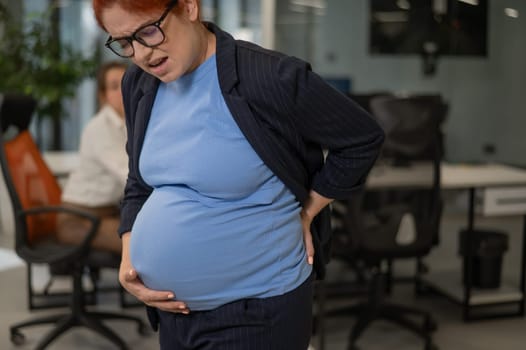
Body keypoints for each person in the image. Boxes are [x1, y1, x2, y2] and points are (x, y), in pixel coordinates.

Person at [92, 0, 385, 349]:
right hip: (174, 314)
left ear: (188, 7)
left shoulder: (269, 76)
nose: (140, 53)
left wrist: (306, 211)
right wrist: (130, 253)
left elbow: (361, 139)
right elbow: (139, 182)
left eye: (148, 32)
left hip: (256, 311)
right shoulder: (139, 84)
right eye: (124, 43)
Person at [57, 61, 128, 254]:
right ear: (103, 95)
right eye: (114, 87)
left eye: (127, 83)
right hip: (79, 219)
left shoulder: (127, 124)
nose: (123, 91)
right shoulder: (100, 128)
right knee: (141, 243)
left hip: (108, 213)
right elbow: (128, 175)